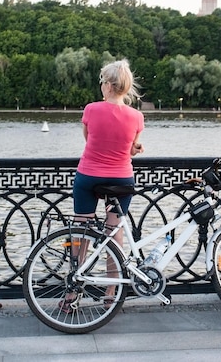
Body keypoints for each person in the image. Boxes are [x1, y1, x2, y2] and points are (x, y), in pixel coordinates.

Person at [61, 58, 144, 313]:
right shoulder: (136, 116)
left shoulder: (91, 110)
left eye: (102, 82)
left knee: (81, 230)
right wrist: (135, 149)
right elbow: (130, 150)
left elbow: (89, 141)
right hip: (121, 180)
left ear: (108, 85)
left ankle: (73, 291)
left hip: (89, 176)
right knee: (113, 232)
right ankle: (112, 291)